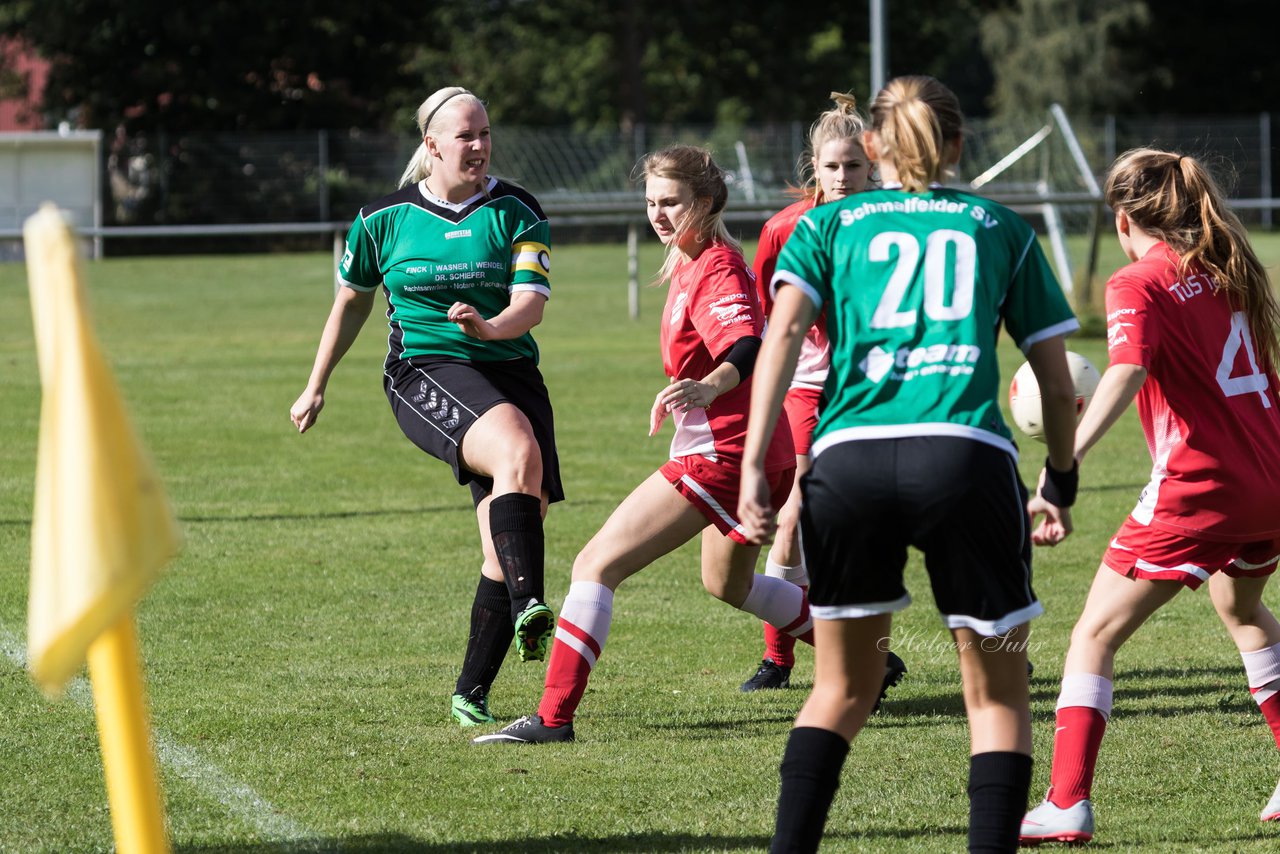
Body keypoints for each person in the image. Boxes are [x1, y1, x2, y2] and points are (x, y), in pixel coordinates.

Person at [737, 75, 1081, 853]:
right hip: (966, 461)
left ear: (873, 149)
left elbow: (782, 343)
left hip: (848, 465)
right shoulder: (999, 226)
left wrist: (758, 462)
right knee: (995, 697)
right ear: (959, 147)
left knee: (840, 688)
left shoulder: (826, 226)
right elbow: (1057, 383)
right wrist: (1060, 475)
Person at [473, 143, 815, 745]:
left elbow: (745, 347)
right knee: (727, 584)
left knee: (594, 565)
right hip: (750, 451)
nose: (659, 214)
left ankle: (553, 718)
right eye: (652, 202)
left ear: (704, 202)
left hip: (726, 455)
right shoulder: (688, 259)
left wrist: (707, 388)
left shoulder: (715, 266)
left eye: (672, 202)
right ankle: (864, 652)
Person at [1019, 148, 1280, 845]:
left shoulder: (1138, 280)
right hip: (1271, 482)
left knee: (1094, 634)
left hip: (1203, 490)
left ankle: (1066, 802)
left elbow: (1127, 369)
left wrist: (1062, 464)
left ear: (1124, 217)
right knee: (1241, 606)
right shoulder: (1228, 264)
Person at [289, 86, 561, 730]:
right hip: (424, 372)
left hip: (511, 370)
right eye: (465, 135)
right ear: (431, 145)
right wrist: (316, 382)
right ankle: (533, 604)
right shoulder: (381, 218)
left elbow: (530, 303)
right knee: (517, 449)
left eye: (486, 133)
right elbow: (351, 301)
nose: (479, 145)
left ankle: (470, 690)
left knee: (509, 534)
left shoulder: (517, 208)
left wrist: (490, 329)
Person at [739, 91, 907, 704]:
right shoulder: (784, 228)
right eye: (832, 167)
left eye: (854, 166)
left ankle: (988, 649)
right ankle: (777, 656)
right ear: (814, 167)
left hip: (883, 389)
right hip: (810, 389)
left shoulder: (896, 221)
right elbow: (766, 319)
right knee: (794, 519)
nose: (842, 177)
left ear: (873, 166)